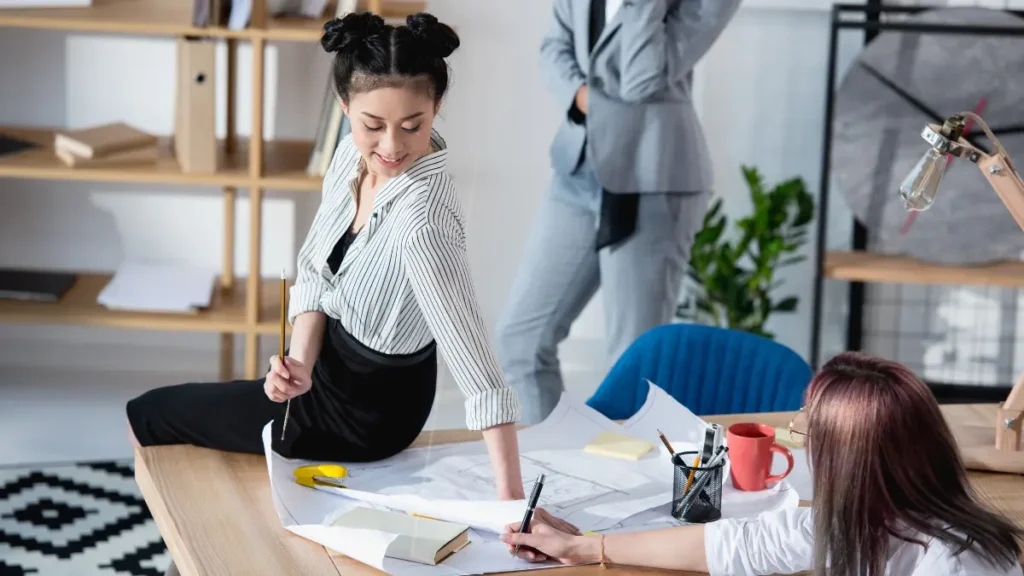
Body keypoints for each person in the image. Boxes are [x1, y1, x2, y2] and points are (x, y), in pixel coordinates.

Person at [125, 12, 575, 534]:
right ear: (345, 108)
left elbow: (476, 365)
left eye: (413, 125)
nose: (390, 147)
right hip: (326, 368)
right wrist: (299, 364)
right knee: (187, 421)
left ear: (437, 108)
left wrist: (510, 502)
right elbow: (315, 270)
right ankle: (190, 554)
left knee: (147, 415)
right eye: (372, 125)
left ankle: (185, 554)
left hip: (370, 407)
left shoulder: (423, 221)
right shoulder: (348, 158)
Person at [499, 351, 1024, 576]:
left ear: (853, 461)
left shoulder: (957, 564)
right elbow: (739, 544)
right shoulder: (878, 516)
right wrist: (585, 546)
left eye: (810, 432)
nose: (804, 446)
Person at [495, 0, 743, 424]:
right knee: (521, 341)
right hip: (579, 170)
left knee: (633, 364)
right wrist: (579, 94)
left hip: (653, 181)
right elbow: (554, 47)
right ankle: (559, 470)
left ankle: (630, 485)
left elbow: (641, 80)